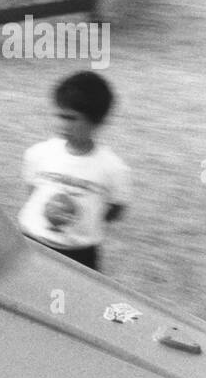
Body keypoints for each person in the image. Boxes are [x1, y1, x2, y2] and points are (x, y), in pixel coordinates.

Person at [18, 71, 130, 272]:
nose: (63, 125)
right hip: (31, 244)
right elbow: (33, 192)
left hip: (80, 255)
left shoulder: (112, 169)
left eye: (72, 118)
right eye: (60, 115)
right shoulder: (39, 154)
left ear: (96, 121)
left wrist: (82, 220)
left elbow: (114, 210)